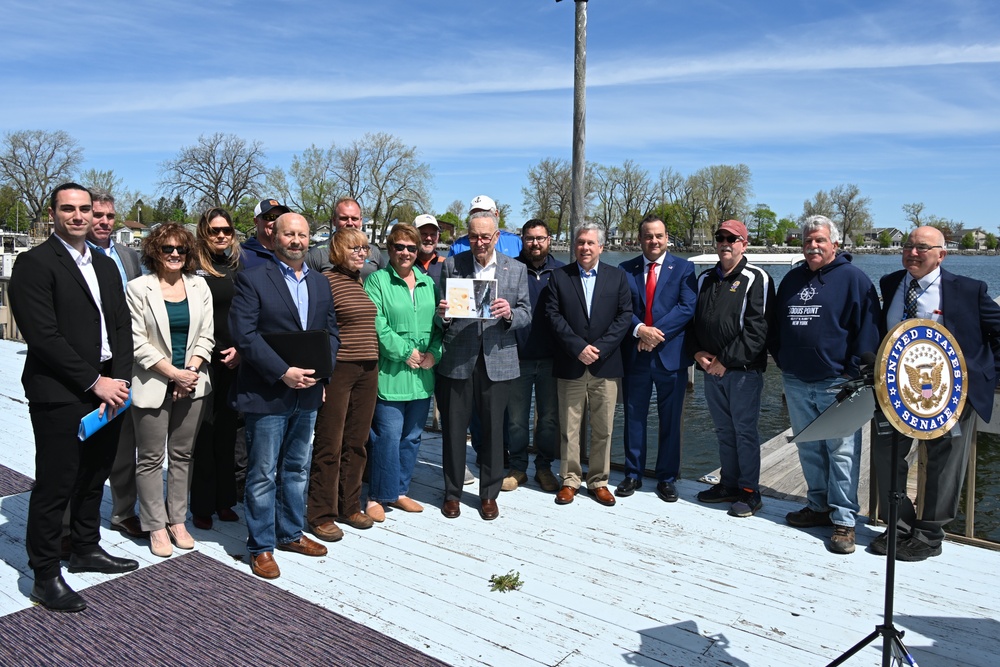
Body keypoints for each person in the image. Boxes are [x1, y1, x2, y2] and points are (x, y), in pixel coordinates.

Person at [9, 182, 138, 613]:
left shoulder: (103, 264)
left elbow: (121, 327)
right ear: (53, 213)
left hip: (110, 388)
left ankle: (85, 546)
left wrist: (117, 382)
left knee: (95, 474)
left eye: (85, 209)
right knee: (57, 482)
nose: (79, 216)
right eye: (69, 209)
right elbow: (43, 336)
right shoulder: (34, 263)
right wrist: (93, 382)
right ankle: (45, 574)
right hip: (61, 392)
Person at [871, 226, 1000, 561]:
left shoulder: (969, 290)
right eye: (908, 246)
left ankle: (929, 535)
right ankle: (897, 527)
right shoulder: (890, 284)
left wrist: (983, 376)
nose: (912, 253)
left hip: (951, 395)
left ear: (941, 254)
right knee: (887, 456)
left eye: (922, 248)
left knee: (945, 463)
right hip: (896, 394)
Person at [230, 212, 340, 579]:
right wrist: (283, 372)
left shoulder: (321, 284)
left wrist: (321, 375)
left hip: (308, 392)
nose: (296, 241)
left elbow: (330, 335)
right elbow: (245, 335)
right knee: (262, 472)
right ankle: (261, 546)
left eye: (302, 235)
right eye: (289, 234)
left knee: (296, 468)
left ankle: (291, 532)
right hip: (268, 393)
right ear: (273, 236)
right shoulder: (252, 279)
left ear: (311, 239)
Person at [769, 215, 880, 555]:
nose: (813, 246)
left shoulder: (854, 280)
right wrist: (784, 360)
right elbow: (775, 325)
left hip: (838, 383)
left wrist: (852, 373)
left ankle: (844, 519)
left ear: (834, 243)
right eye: (807, 241)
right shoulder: (791, 280)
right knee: (809, 448)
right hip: (797, 379)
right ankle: (818, 506)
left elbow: (868, 332)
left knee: (842, 452)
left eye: (819, 240)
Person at [436, 209, 530, 520]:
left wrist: (509, 314)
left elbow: (527, 313)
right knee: (452, 428)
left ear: (497, 237)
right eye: (474, 236)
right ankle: (452, 493)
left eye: (485, 236)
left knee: (493, 430)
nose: (479, 242)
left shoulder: (515, 270)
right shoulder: (452, 265)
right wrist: (445, 314)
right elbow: (441, 318)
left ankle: (489, 494)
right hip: (458, 358)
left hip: (498, 359)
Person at [128, 223, 214, 558]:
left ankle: (177, 520)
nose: (175, 254)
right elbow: (137, 342)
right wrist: (173, 374)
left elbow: (206, 334)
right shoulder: (138, 289)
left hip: (193, 382)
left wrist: (189, 372)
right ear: (154, 251)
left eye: (181, 249)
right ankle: (155, 524)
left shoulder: (199, 286)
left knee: (182, 455)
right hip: (153, 382)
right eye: (168, 249)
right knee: (150, 458)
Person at [689, 220, 774, 517]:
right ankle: (729, 483)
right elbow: (694, 323)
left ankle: (750, 491)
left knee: (745, 432)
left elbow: (757, 330)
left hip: (743, 372)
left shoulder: (756, 278)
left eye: (732, 239)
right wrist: (697, 353)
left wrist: (725, 360)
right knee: (724, 430)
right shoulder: (704, 280)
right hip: (710, 369)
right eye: (720, 238)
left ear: (744, 244)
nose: (725, 243)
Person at [546, 223, 632, 507]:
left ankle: (598, 481)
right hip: (571, 364)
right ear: (575, 246)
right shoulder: (559, 277)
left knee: (603, 428)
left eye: (590, 243)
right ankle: (569, 480)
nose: (585, 247)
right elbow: (553, 317)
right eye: (580, 242)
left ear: (601, 248)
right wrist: (578, 347)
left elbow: (624, 317)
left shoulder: (617, 277)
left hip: (605, 366)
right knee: (569, 428)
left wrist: (600, 349)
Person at [616, 215, 697, 503]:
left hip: (671, 358)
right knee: (634, 417)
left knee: (670, 420)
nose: (654, 241)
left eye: (659, 236)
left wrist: (654, 335)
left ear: (667, 238)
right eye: (648, 236)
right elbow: (622, 308)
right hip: (636, 356)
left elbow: (687, 307)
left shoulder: (685, 268)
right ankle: (633, 474)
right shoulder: (626, 270)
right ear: (640, 239)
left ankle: (666, 478)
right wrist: (640, 330)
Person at [364, 224, 443, 520]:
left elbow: (439, 327)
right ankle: (377, 496)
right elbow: (377, 325)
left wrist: (435, 354)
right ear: (389, 248)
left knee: (411, 437)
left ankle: (399, 491)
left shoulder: (428, 284)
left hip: (422, 378)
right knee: (387, 436)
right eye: (399, 247)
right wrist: (404, 352)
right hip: (391, 375)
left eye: (412, 247)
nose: (406, 252)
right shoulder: (377, 281)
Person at [307, 227, 380, 541]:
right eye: (354, 249)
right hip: (341, 370)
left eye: (364, 248)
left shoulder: (360, 282)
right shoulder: (325, 282)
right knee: (329, 443)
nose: (361, 253)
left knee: (357, 441)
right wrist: (321, 377)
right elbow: (318, 330)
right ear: (337, 251)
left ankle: (349, 504)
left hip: (368, 369)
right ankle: (321, 513)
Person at [84, 189, 145, 539]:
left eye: (109, 216)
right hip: (89, 364)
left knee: (126, 440)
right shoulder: (74, 258)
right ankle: (71, 521)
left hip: (128, 359)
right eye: (97, 215)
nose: (104, 221)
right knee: (82, 441)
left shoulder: (127, 255)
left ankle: (123, 512)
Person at [190, 208, 243, 530]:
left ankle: (225, 500)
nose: (221, 235)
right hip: (203, 360)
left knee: (227, 433)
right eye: (214, 230)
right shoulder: (193, 268)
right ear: (203, 233)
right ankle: (201, 504)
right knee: (203, 434)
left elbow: (247, 312)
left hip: (234, 359)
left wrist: (242, 349)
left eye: (226, 230)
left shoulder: (237, 267)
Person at [504, 218, 565, 493]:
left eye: (540, 238)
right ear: (522, 240)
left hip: (552, 359)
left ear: (549, 239)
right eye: (529, 238)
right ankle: (517, 467)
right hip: (517, 356)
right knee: (516, 419)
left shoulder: (563, 272)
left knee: (549, 418)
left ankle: (544, 467)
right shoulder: (510, 270)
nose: (535, 243)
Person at [306, 197, 386, 277]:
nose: (350, 223)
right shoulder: (316, 254)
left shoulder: (374, 252)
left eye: (354, 219)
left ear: (361, 221)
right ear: (334, 221)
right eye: (344, 218)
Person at [448, 195, 523, 257]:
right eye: (474, 214)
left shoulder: (515, 242)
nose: (479, 218)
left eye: (485, 213)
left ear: (496, 214)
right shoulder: (458, 246)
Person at [241, 198, 290, 269]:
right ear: (256, 221)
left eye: (280, 218)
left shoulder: (289, 253)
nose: (276, 222)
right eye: (270, 217)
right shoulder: (242, 255)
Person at [414, 213, 446, 287]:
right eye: (423, 234)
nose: (428, 238)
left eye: (433, 234)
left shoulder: (446, 264)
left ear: (438, 237)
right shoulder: (405, 264)